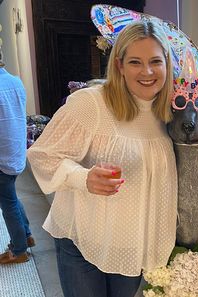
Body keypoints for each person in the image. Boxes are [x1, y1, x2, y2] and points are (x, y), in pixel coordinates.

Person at [27, 21, 177, 297]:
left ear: (167, 64)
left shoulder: (170, 113)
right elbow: (42, 155)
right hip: (84, 241)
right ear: (119, 65)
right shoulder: (91, 103)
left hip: (132, 248)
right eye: (135, 62)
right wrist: (83, 178)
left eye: (156, 61)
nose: (147, 72)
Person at [0, 49, 35, 264]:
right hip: (15, 152)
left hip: (2, 157)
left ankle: (19, 248)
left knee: (8, 202)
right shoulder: (15, 81)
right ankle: (27, 235)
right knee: (11, 197)